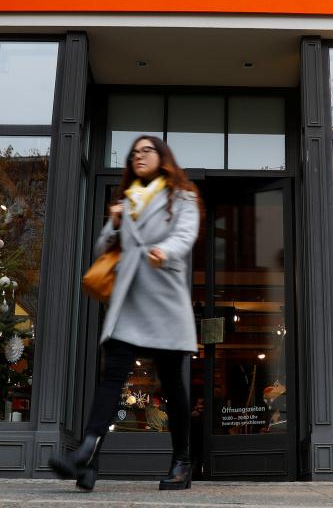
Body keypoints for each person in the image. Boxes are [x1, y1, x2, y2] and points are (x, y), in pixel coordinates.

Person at [49, 135, 201, 492]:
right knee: (112, 376)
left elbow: (185, 235)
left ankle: (182, 461)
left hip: (164, 300)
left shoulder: (183, 196)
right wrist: (115, 223)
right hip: (129, 300)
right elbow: (103, 246)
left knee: (173, 386)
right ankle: (85, 455)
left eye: (146, 150)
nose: (139, 156)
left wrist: (164, 251)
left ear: (163, 157)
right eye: (134, 153)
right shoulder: (127, 200)